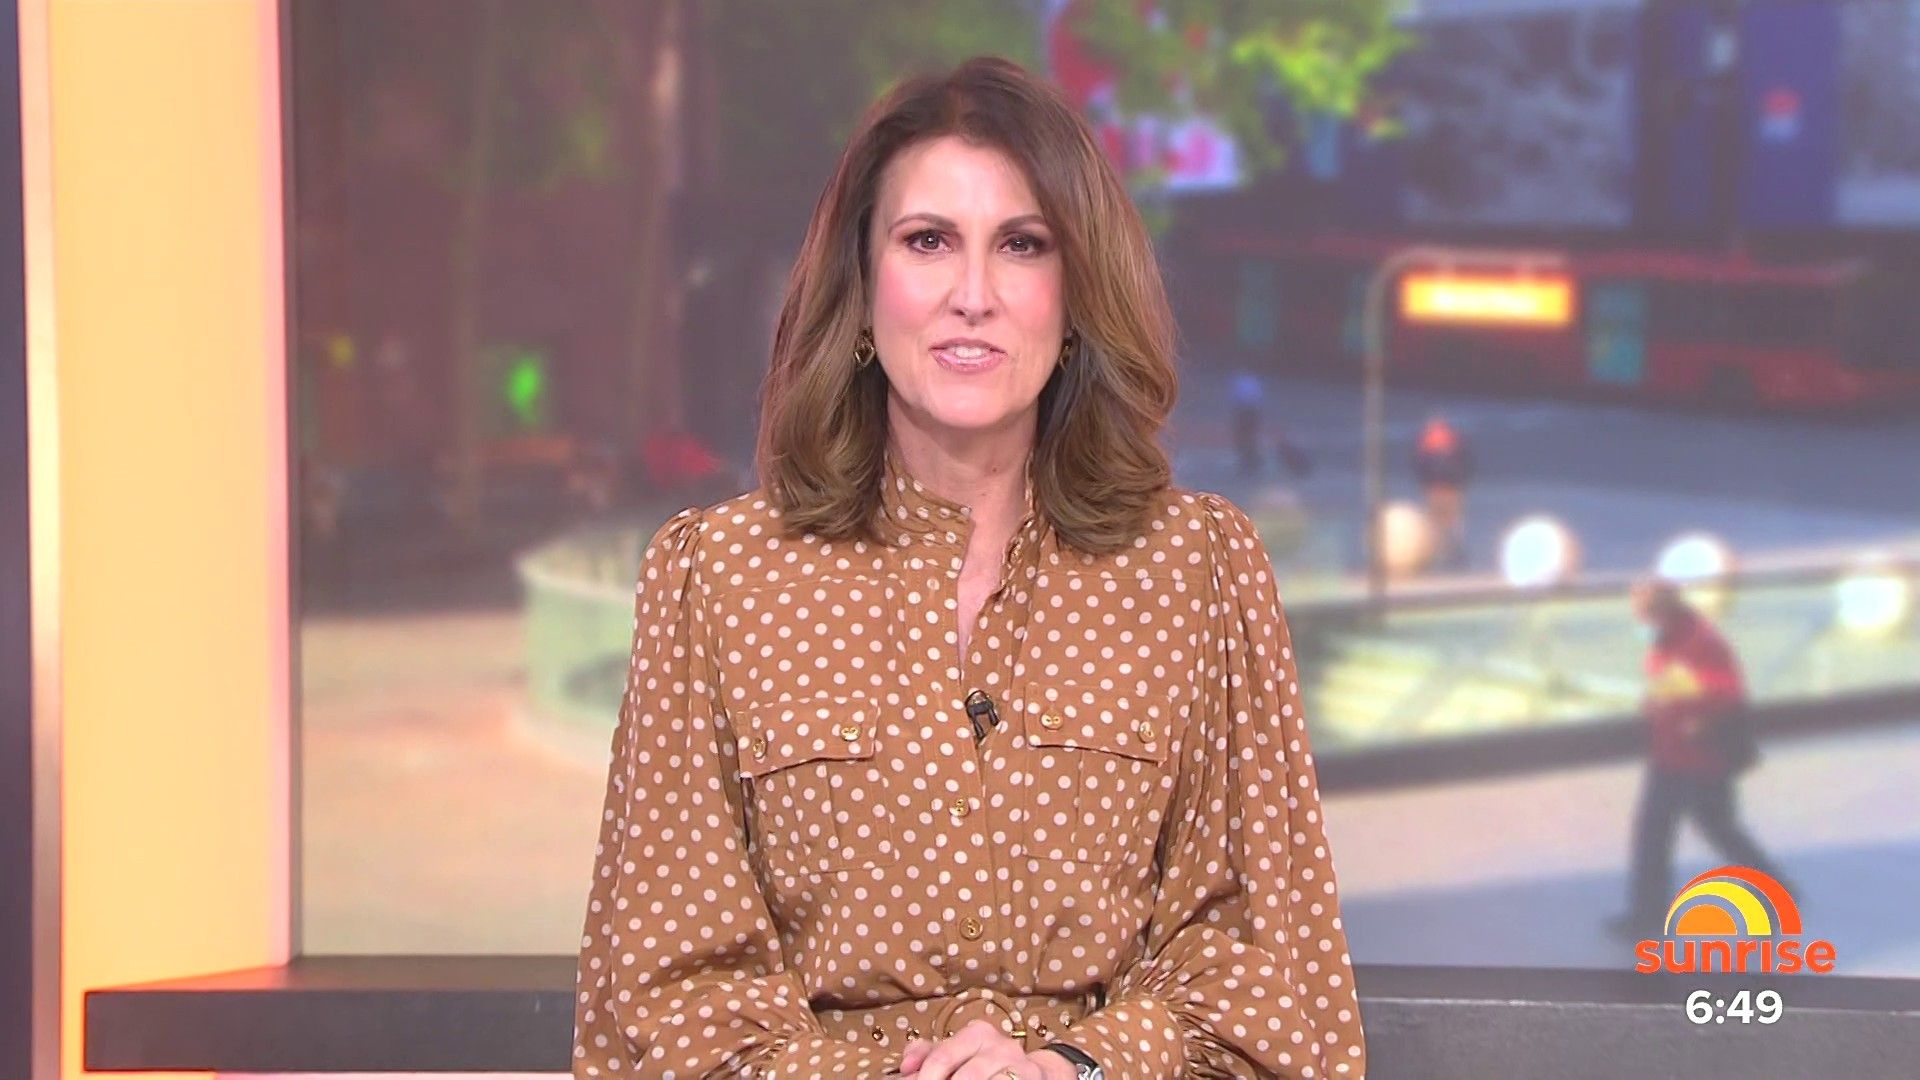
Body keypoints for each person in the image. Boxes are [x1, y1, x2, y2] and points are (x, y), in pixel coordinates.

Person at [572, 57, 1364, 1080]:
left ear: (1074, 295)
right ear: (863, 290)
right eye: (928, 241)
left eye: (1022, 245)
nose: (974, 296)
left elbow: (1266, 977)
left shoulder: (1196, 570)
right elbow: (666, 1007)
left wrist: (1071, 1067)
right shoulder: (719, 579)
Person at [1607, 579, 1790, 942]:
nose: (1638, 621)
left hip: (1701, 757)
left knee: (1716, 827)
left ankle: (1775, 889)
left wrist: (1691, 708)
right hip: (1669, 753)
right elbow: (1666, 683)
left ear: (1660, 612)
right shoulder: (1665, 640)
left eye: (1642, 613)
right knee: (1655, 834)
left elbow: (1726, 692)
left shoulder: (1700, 642)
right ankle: (1647, 914)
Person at [1411, 413, 1471, 570]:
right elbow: (1464, 460)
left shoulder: (1427, 440)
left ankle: (1440, 554)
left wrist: (1424, 483)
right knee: (1454, 522)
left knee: (1436, 523)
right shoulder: (1452, 437)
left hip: (1435, 487)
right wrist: (1462, 481)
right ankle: (1456, 553)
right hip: (1451, 486)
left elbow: (1420, 464)